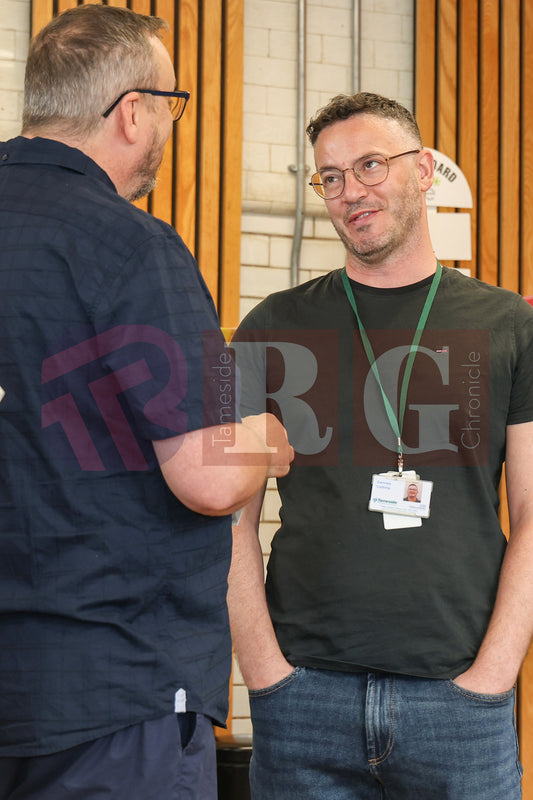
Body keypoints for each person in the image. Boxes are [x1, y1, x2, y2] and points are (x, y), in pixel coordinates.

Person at [0, 5, 293, 800]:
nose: (168, 122)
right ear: (133, 111)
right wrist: (266, 436)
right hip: (110, 698)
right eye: (170, 102)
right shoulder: (131, 247)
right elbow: (206, 474)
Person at [228, 92, 533, 799]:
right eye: (329, 177)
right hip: (302, 697)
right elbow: (225, 515)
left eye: (369, 165)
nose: (349, 192)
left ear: (424, 170)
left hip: (459, 704)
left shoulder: (510, 326)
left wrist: (492, 677)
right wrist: (263, 671)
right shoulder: (264, 326)